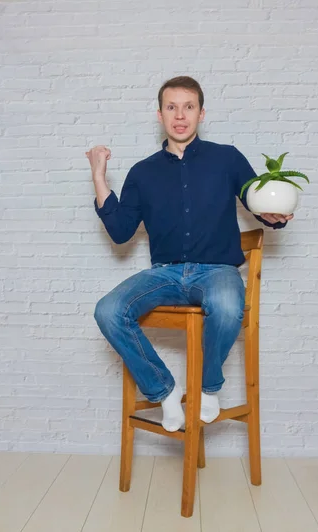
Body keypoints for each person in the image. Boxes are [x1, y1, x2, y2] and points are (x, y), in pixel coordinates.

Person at [86, 76, 293, 433]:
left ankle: (209, 386)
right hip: (164, 274)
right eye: (171, 107)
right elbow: (120, 233)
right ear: (160, 114)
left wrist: (272, 215)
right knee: (107, 310)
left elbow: (258, 201)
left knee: (228, 305)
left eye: (188, 107)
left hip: (217, 271)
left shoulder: (227, 158)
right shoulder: (142, 171)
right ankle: (164, 390)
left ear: (201, 113)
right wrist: (99, 175)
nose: (180, 115)